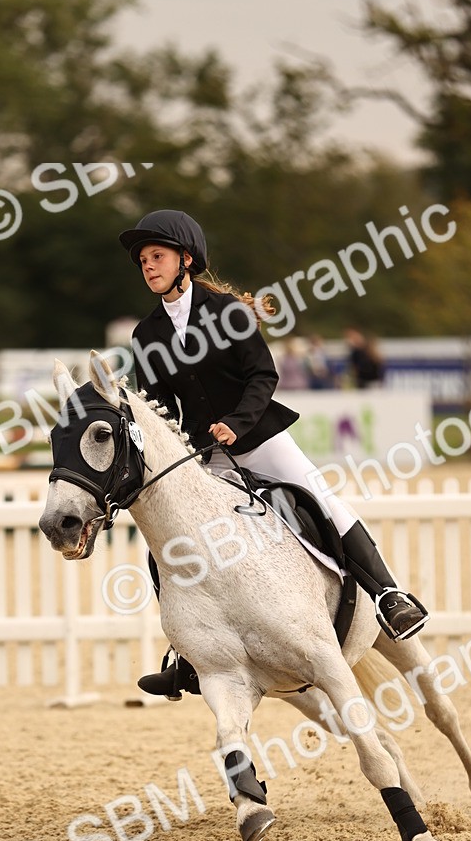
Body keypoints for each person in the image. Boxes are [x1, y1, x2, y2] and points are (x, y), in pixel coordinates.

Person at [119, 209, 428, 699]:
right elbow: (159, 406)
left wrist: (235, 424)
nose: (148, 266)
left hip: (258, 434)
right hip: (205, 451)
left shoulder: (227, 313)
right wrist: (185, 442)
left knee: (321, 499)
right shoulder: (146, 334)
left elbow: (263, 377)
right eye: (142, 260)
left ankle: (389, 595)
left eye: (157, 256)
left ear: (186, 259)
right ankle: (185, 655)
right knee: (172, 541)